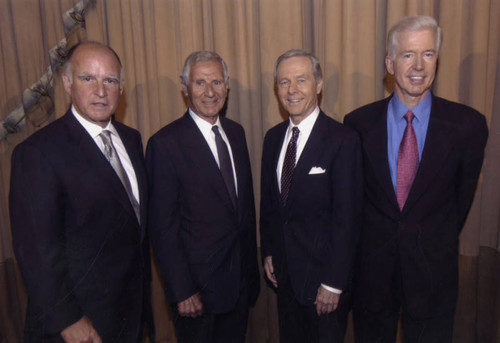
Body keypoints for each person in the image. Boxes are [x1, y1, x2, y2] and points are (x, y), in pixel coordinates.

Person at [344, 15, 489, 343]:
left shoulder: (468, 126)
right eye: (408, 54)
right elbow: (355, 202)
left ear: (438, 59)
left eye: (428, 54)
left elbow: (459, 201)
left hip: (433, 273)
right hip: (373, 276)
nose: (419, 65)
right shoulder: (357, 125)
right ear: (390, 63)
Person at [9, 41, 152, 342]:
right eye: (88, 78)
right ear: (67, 83)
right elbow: (35, 250)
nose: (101, 90)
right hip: (79, 324)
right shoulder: (38, 152)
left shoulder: (132, 139)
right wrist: (68, 320)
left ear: (121, 87)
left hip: (129, 315)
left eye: (110, 80)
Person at [146, 51, 260, 342]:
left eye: (217, 82)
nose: (210, 92)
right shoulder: (165, 144)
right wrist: (182, 290)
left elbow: (242, 212)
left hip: (239, 285)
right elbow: (163, 228)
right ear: (184, 87)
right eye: (200, 83)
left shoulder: (236, 134)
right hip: (196, 294)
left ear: (227, 85)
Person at [260, 49, 363, 342]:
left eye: (301, 80)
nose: (292, 90)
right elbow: (270, 205)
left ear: (318, 85)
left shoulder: (343, 140)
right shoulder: (273, 138)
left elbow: (349, 219)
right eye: (283, 82)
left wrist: (334, 282)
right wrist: (269, 250)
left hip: (324, 285)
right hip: (285, 278)